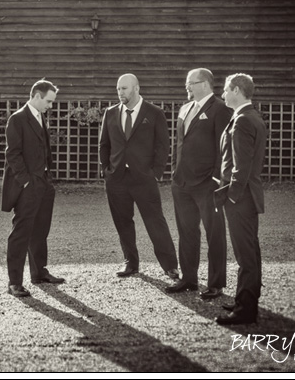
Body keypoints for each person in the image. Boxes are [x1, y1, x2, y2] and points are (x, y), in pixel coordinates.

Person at [98, 73, 180, 280]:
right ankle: (131, 263)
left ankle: (170, 265)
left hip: (144, 178)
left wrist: (156, 173)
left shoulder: (154, 113)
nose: (120, 92)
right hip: (116, 178)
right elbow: (104, 144)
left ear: (136, 88)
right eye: (118, 89)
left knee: (155, 221)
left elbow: (163, 145)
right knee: (123, 222)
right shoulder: (110, 113)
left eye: (124, 88)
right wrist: (106, 171)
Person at [166, 69, 232, 298]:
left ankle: (216, 283)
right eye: (187, 84)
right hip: (182, 182)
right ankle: (189, 279)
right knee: (186, 232)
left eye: (190, 83)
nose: (187, 88)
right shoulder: (185, 108)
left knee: (214, 233)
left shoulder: (221, 109)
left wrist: (216, 178)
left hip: (207, 183)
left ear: (204, 84)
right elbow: (181, 144)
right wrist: (175, 173)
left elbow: (224, 147)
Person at [1, 79, 65, 297]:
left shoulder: (40, 116)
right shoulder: (17, 119)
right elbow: (12, 154)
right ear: (36, 96)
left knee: (40, 230)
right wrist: (26, 181)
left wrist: (47, 179)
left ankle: (39, 272)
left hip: (44, 183)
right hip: (28, 185)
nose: (51, 106)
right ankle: (14, 282)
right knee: (21, 232)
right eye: (49, 101)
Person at [214, 73, 267, 325]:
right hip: (247, 196)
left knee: (245, 254)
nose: (223, 94)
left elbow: (241, 166)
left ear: (236, 90)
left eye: (225, 90)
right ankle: (245, 299)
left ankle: (246, 310)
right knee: (250, 251)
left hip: (241, 198)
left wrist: (232, 196)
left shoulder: (243, 120)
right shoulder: (250, 116)